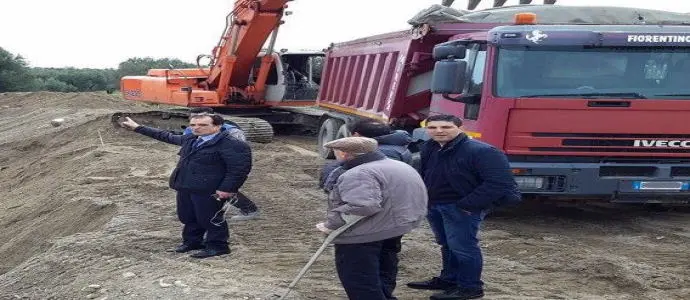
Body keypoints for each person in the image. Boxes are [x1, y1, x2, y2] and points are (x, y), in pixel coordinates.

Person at [406, 114, 520, 300]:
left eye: (446, 127)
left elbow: (499, 183)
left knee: (463, 248)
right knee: (447, 245)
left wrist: (467, 206)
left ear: (460, 128)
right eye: (433, 128)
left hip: (461, 208)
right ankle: (449, 280)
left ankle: (470, 288)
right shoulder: (430, 147)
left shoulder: (483, 151)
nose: (439, 131)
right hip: (435, 205)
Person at [119, 113, 252, 259]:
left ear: (217, 126)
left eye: (202, 125)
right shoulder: (191, 139)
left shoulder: (232, 144)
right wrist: (138, 128)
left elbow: (239, 169)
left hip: (209, 189)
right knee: (188, 216)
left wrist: (227, 189)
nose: (196, 128)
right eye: (193, 125)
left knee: (210, 218)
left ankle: (218, 246)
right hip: (186, 185)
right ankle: (193, 242)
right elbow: (166, 136)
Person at [316, 136, 428, 300]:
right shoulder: (397, 165)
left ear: (344, 154)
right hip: (394, 227)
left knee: (360, 280)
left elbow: (363, 206)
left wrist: (331, 224)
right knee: (384, 269)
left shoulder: (358, 173)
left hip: (365, 233)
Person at [183, 107, 259, 221]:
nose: (195, 121)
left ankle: (249, 208)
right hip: (200, 165)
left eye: (200, 117)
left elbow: (237, 154)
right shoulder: (190, 130)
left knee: (223, 188)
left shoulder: (232, 131)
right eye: (193, 117)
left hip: (220, 166)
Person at [318, 119, 413, 193]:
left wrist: (342, 161)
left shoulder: (374, 153)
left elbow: (358, 180)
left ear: (356, 135)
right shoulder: (400, 147)